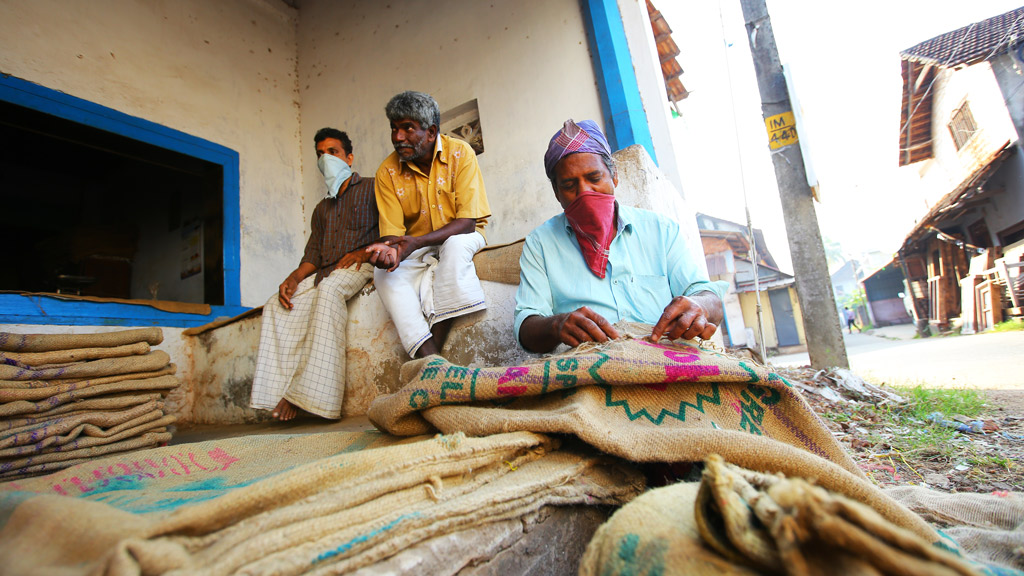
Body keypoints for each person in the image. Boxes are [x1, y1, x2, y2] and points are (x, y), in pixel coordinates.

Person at [515, 119, 726, 353]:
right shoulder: (540, 244)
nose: (585, 193)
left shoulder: (661, 230)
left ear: (613, 175)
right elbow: (526, 326)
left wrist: (699, 305)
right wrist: (557, 325)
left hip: (668, 358)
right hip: (590, 369)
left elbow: (709, 298)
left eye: (594, 178)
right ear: (556, 192)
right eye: (569, 185)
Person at [250, 128, 379, 421]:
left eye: (332, 152)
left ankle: (315, 399)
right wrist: (293, 279)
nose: (326, 158)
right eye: (320, 154)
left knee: (329, 290)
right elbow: (312, 255)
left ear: (349, 157)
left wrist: (363, 253)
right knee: (276, 305)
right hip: (325, 271)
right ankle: (279, 393)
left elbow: (393, 231)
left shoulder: (373, 188)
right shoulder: (322, 209)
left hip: (361, 266)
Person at [365, 91, 491, 358]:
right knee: (383, 277)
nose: (398, 138)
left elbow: (467, 223)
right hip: (417, 247)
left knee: (455, 248)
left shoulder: (461, 154)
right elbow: (393, 238)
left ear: (431, 132)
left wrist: (415, 243)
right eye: (394, 129)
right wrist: (389, 254)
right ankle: (431, 359)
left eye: (408, 128)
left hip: (463, 235)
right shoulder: (386, 172)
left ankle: (433, 357)